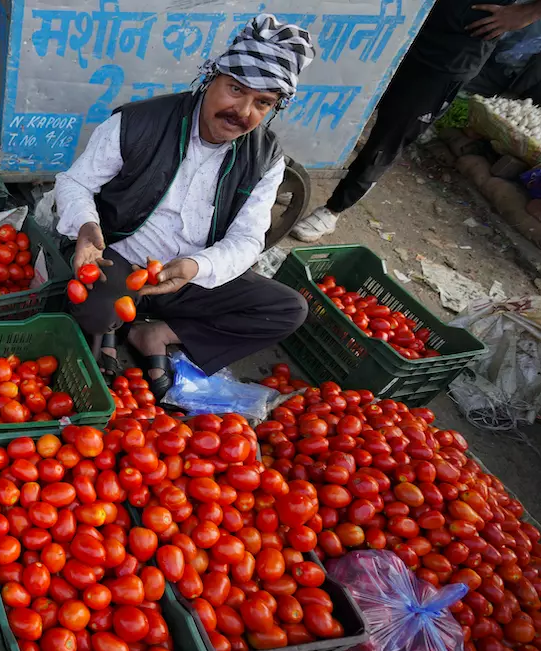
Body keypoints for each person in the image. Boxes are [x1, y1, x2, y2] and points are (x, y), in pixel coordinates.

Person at [55, 14, 314, 399]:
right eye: (235, 90)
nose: (243, 112)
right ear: (211, 78)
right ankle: (108, 327)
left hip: (187, 273)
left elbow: (247, 240)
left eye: (262, 103)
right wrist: (86, 228)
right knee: (96, 306)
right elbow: (75, 183)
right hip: (121, 260)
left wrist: (196, 267)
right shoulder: (138, 122)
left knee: (288, 309)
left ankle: (154, 333)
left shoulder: (266, 158)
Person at [292, 0, 541, 242]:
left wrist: (528, 12)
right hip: (395, 20)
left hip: (453, 45)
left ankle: (334, 209)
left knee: (391, 134)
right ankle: (293, 175)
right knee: (337, 101)